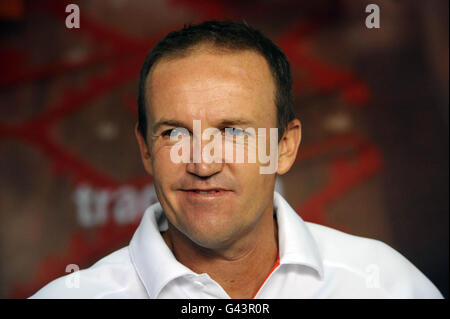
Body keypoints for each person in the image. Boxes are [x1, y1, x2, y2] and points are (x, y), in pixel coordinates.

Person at [30, 20, 442, 299]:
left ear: (285, 146)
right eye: (174, 133)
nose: (203, 164)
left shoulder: (385, 285)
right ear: (145, 150)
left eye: (233, 131)